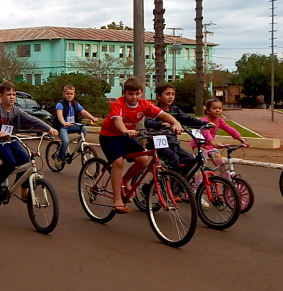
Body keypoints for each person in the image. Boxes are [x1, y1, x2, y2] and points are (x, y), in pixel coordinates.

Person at [99, 77, 182, 213]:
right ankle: (117, 199)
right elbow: (118, 120)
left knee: (143, 159)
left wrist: (176, 123)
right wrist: (125, 130)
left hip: (127, 136)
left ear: (142, 93)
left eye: (137, 94)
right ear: (124, 93)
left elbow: (162, 114)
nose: (134, 97)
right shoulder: (119, 104)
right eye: (130, 94)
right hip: (110, 136)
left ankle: (125, 180)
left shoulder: (144, 104)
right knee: (118, 162)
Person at [0, 82, 58, 197]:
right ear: (1, 96)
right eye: (8, 94)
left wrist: (49, 128)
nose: (12, 97)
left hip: (11, 139)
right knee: (11, 163)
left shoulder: (16, 111)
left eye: (14, 94)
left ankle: (24, 189)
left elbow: (32, 119)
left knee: (25, 161)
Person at [143, 83, 206, 176]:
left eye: (173, 94)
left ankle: (179, 180)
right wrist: (160, 124)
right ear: (158, 96)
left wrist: (205, 124)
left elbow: (187, 119)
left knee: (190, 160)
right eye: (167, 94)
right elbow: (148, 122)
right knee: (173, 159)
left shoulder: (174, 110)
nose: (171, 97)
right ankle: (172, 181)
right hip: (158, 143)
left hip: (172, 142)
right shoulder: (154, 109)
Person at [197, 98, 249, 179]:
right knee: (201, 168)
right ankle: (198, 185)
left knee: (222, 164)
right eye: (214, 108)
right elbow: (206, 133)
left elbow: (229, 129)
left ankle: (227, 182)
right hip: (199, 146)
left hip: (210, 146)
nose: (218, 110)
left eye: (220, 108)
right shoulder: (204, 121)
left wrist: (242, 140)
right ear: (207, 110)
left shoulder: (219, 120)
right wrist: (213, 143)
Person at [53, 84, 98, 162]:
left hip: (72, 125)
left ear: (74, 95)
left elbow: (83, 112)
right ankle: (60, 158)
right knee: (66, 141)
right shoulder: (60, 104)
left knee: (83, 128)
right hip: (62, 127)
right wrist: (63, 122)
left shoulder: (75, 104)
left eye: (71, 94)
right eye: (67, 94)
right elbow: (59, 114)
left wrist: (92, 118)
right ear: (63, 94)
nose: (69, 95)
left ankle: (80, 146)